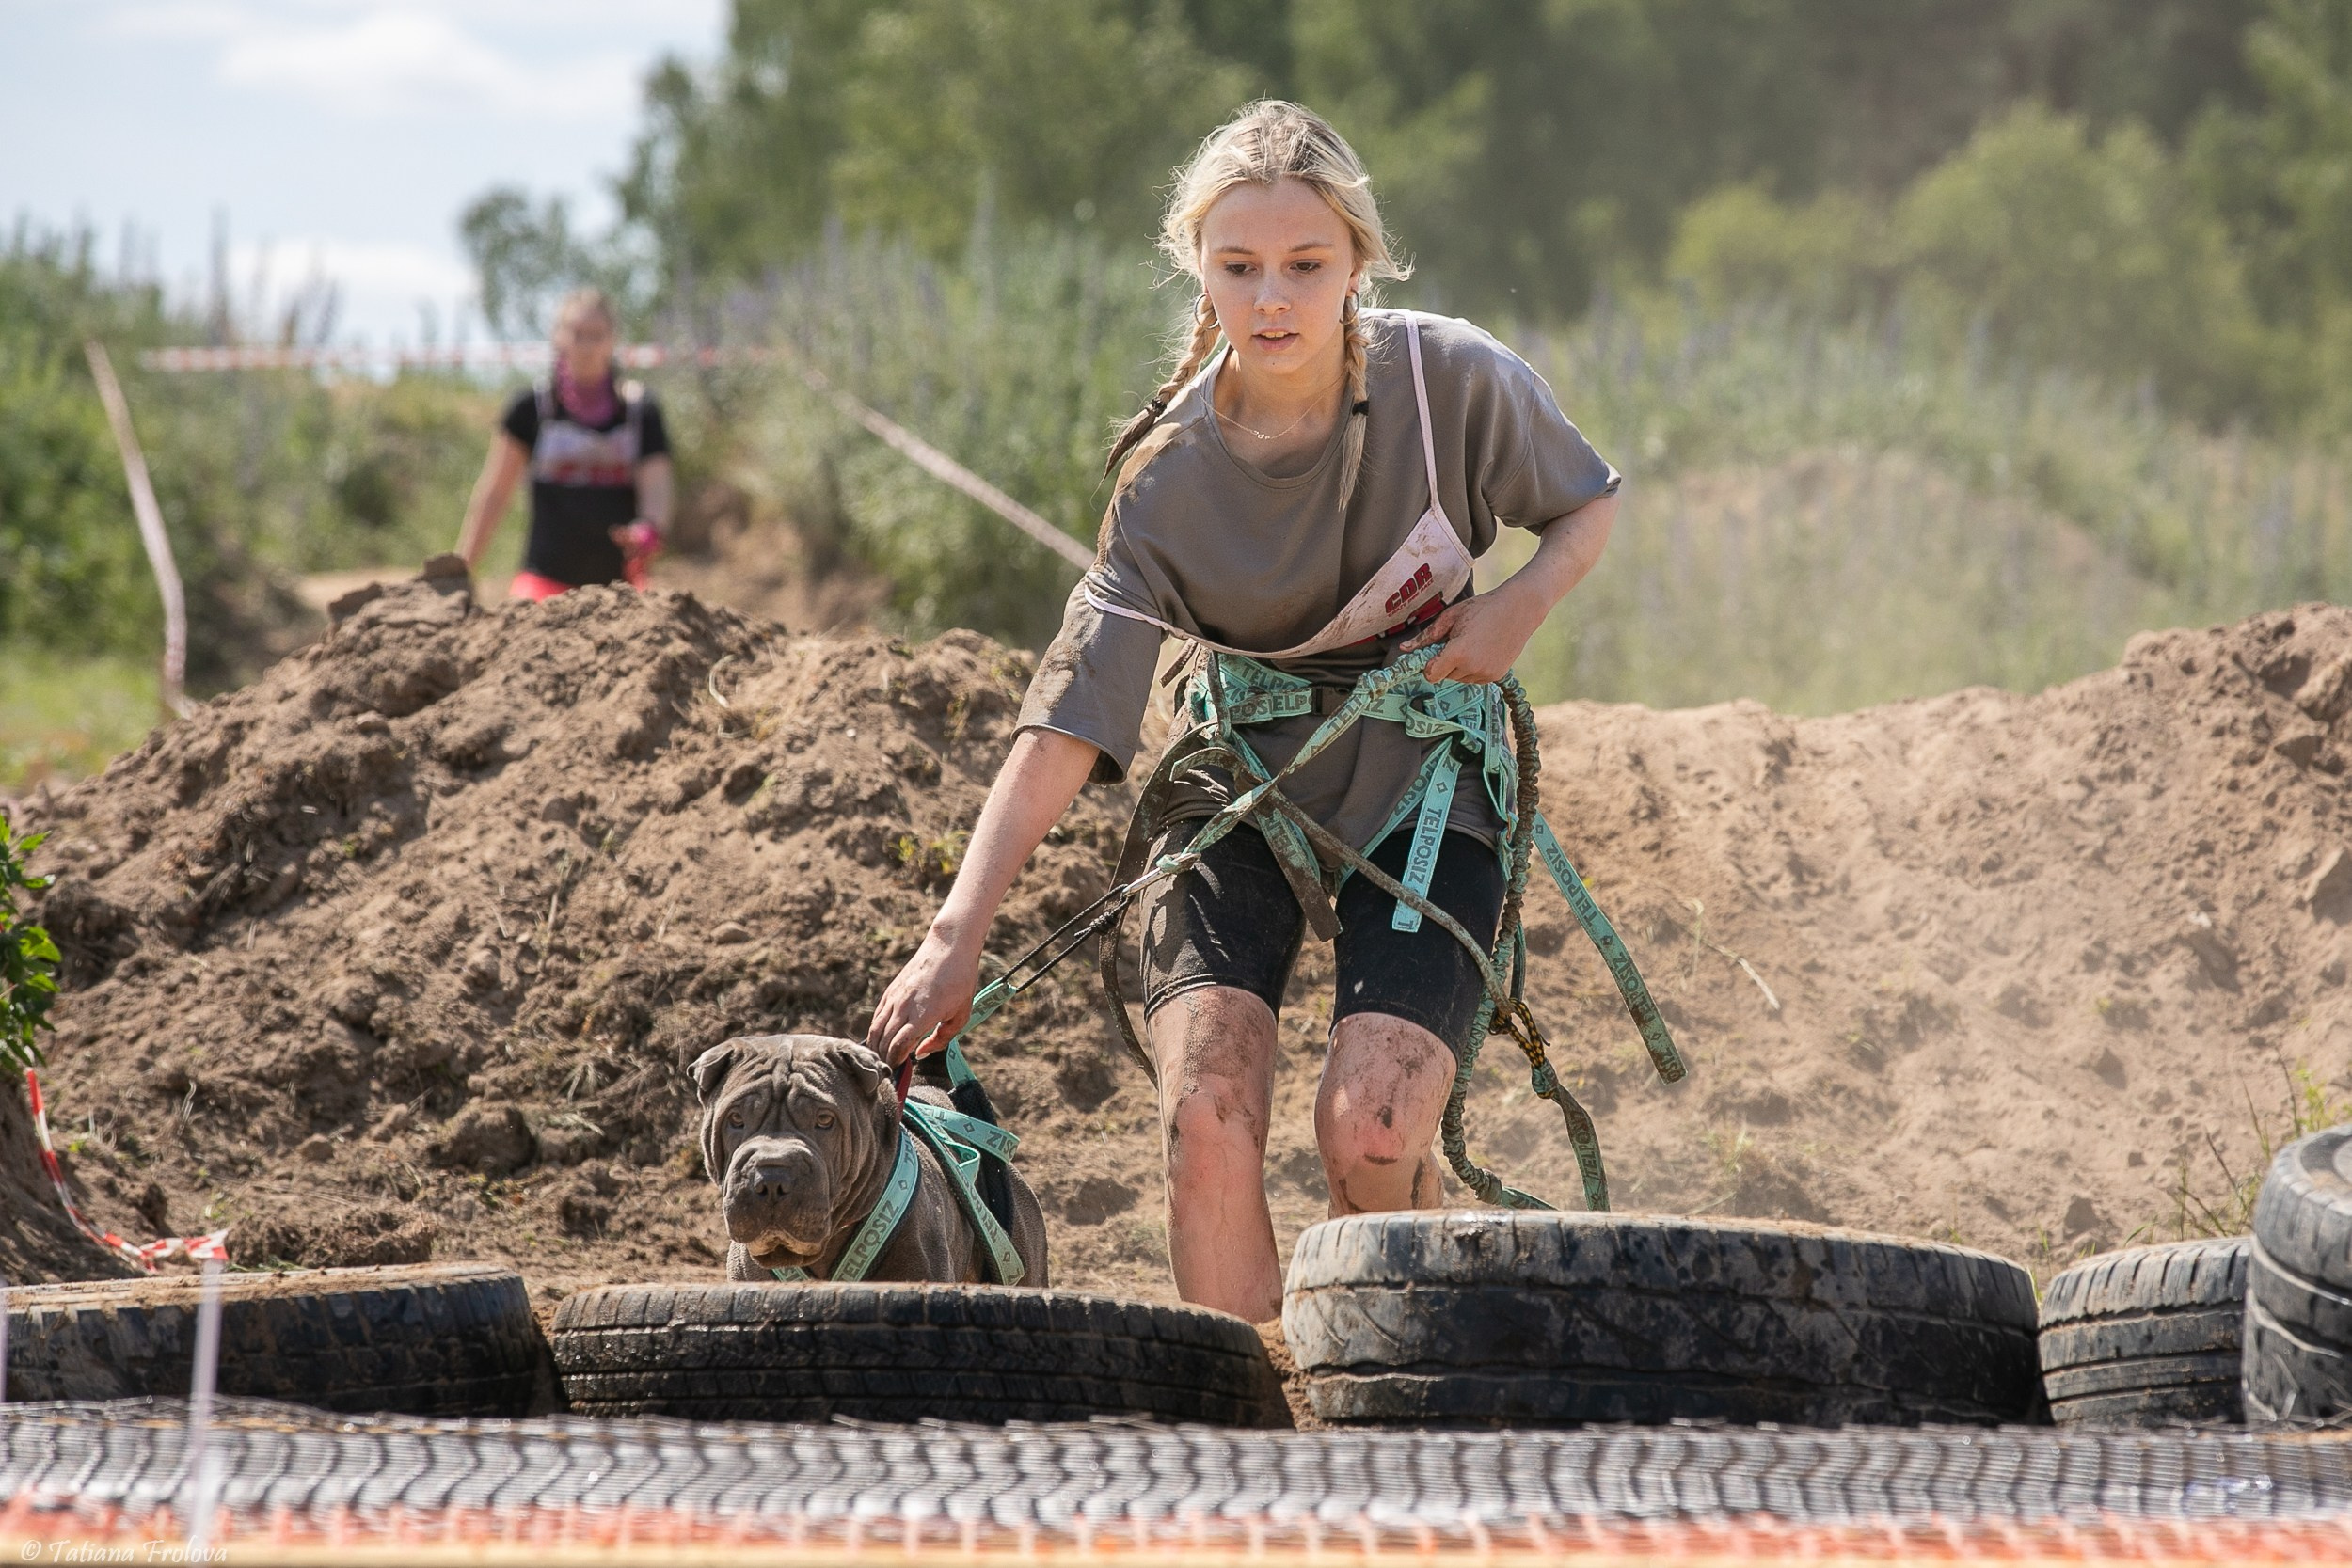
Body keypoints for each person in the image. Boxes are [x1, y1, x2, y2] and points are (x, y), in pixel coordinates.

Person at [866, 102, 1622, 1323]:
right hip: (1234, 783)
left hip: (1424, 774)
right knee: (1207, 1118)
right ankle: (1249, 1439)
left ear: (1358, 264)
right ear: (1198, 267)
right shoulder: (1165, 476)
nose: (1271, 298)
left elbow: (1588, 507)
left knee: (1371, 1130)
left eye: (1306, 265)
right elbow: (1070, 717)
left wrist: (1521, 605)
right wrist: (958, 931)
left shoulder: (1455, 382)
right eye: (1239, 267)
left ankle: (1381, 1384)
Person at [454, 287, 673, 599]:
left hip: (621, 594)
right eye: (577, 333)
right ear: (559, 337)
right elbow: (494, 493)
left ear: (613, 340)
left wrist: (649, 529)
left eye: (596, 335)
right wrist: (462, 569)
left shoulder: (640, 411)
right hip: (543, 584)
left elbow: (658, 485)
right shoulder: (530, 408)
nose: (586, 345)